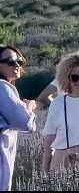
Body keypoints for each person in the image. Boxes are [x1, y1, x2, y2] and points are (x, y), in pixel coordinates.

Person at [0, 44, 36, 191]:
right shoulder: (2, 87)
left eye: (19, 60)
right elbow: (24, 122)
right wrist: (29, 108)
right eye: (10, 61)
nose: (16, 64)